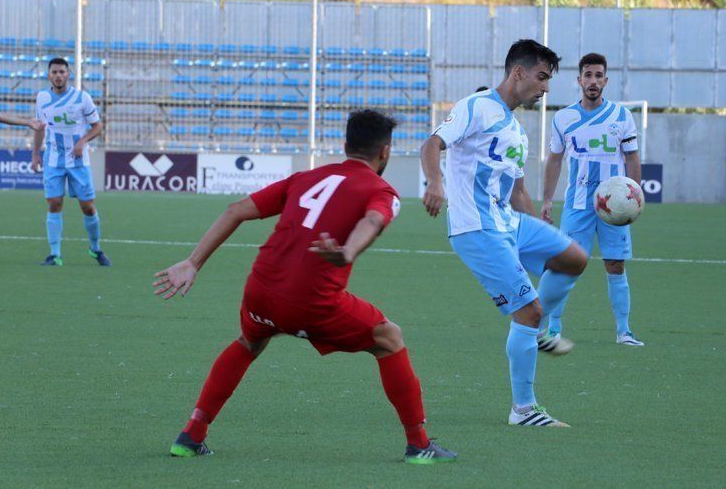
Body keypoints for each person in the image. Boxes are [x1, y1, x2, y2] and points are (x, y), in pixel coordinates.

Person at [153, 110, 456, 464]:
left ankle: (191, 434)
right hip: (312, 303)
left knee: (249, 342)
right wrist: (346, 253)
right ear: (385, 152)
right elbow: (373, 220)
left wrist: (193, 262)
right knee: (390, 338)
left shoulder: (306, 177)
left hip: (260, 292)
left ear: (345, 146)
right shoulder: (382, 190)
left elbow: (236, 209)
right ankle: (419, 444)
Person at [420, 39, 588, 428]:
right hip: (477, 228)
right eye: (542, 77)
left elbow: (518, 191)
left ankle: (537, 326)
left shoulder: (516, 130)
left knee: (573, 257)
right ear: (518, 72)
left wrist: (539, 230)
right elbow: (432, 143)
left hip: (509, 222)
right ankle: (523, 410)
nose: (545, 88)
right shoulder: (476, 107)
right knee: (526, 311)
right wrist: (435, 183)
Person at [538, 52, 644, 346]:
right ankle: (553, 329)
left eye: (598, 76)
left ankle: (624, 331)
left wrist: (634, 194)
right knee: (566, 264)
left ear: (605, 80)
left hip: (615, 207)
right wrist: (547, 200)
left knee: (615, 265)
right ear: (579, 80)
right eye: (588, 75)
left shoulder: (622, 116)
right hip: (578, 204)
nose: (593, 81)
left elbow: (632, 157)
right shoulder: (564, 118)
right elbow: (555, 160)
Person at [32, 57, 110, 267]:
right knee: (54, 203)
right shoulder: (42, 98)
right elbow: (39, 127)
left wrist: (83, 141)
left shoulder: (81, 98)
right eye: (54, 72)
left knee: (87, 207)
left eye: (62, 72)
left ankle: (95, 248)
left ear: (68, 74)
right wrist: (35, 154)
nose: (58, 75)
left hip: (77, 160)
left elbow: (97, 126)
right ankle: (54, 255)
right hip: (53, 159)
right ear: (49, 75)